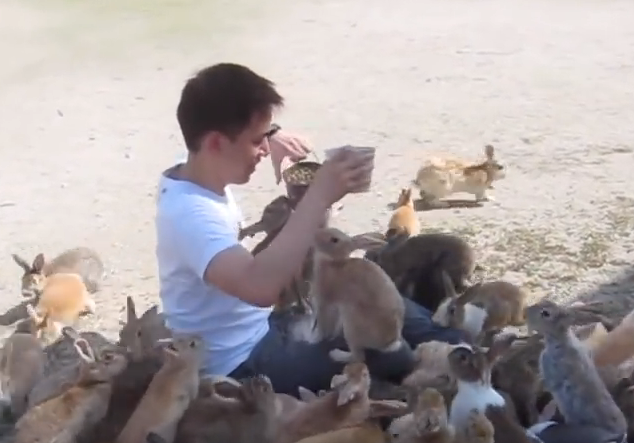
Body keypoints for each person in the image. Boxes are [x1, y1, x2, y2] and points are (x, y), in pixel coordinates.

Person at [155, 62, 467, 395]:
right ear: (216, 143)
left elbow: (211, 120)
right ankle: (465, 360)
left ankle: (465, 346)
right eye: (257, 141)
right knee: (392, 356)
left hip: (262, 328)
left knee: (381, 299)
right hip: (242, 361)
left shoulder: (195, 170)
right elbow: (259, 288)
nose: (263, 150)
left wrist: (273, 136)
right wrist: (318, 195)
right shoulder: (190, 214)